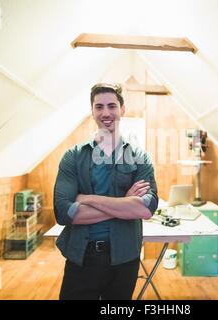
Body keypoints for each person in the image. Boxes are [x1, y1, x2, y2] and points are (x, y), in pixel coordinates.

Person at [53, 83, 158, 300]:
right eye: (99, 106)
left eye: (112, 106)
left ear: (122, 109)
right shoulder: (73, 156)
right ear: (92, 111)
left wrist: (87, 199)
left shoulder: (140, 157)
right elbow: (63, 213)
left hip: (124, 256)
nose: (106, 113)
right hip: (82, 256)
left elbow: (147, 208)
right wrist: (125, 203)